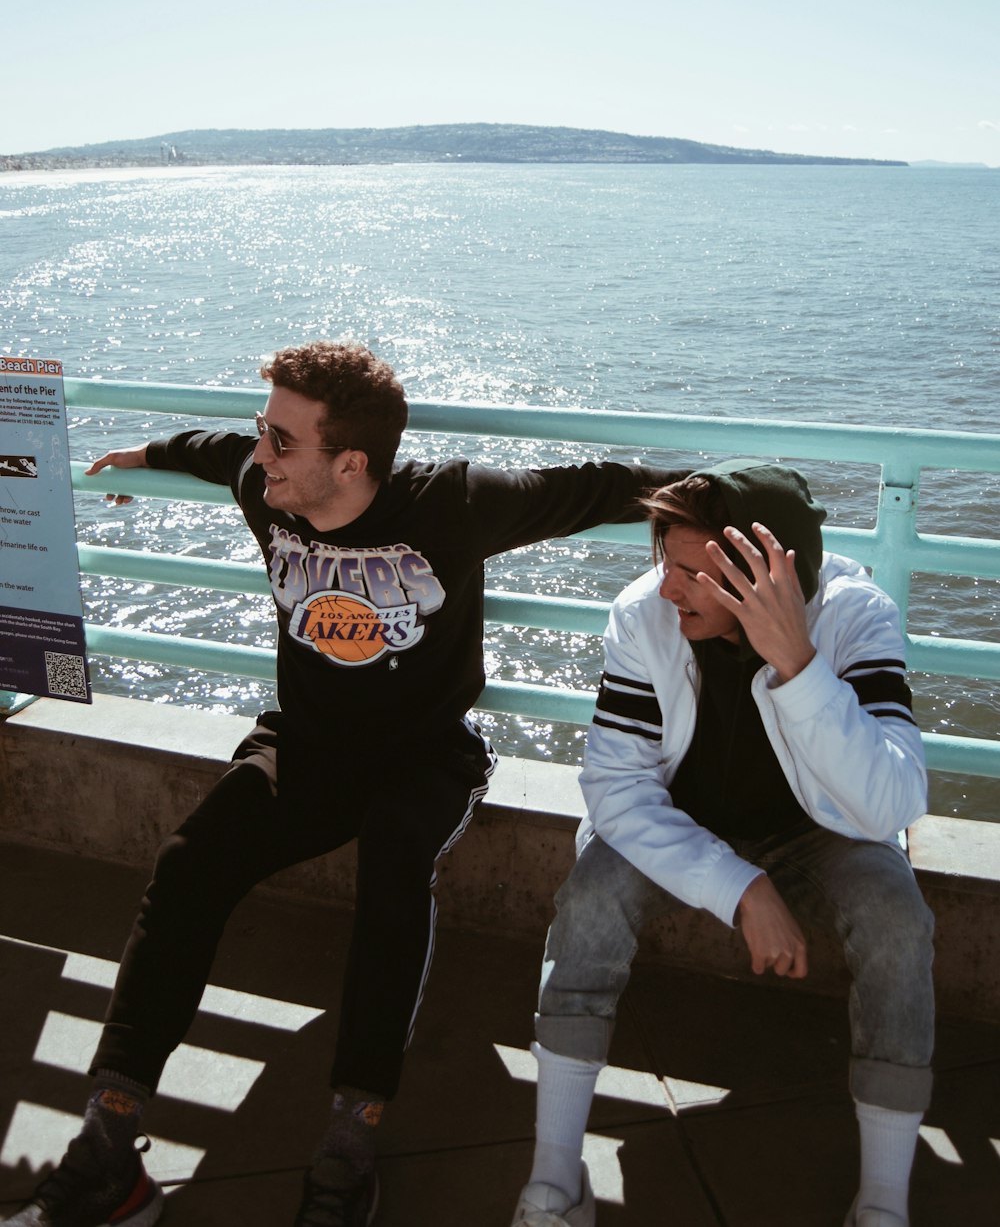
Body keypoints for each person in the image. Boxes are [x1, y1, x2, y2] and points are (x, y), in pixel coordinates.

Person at [7, 340, 685, 1227]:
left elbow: (593, 486)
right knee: (189, 862)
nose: (262, 455)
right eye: (264, 433)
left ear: (351, 462)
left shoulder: (451, 504)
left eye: (282, 441)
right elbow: (217, 453)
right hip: (308, 746)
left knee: (396, 866)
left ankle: (351, 1135)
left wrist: (726, 498)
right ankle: (110, 1135)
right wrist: (147, 455)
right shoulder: (266, 483)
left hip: (423, 753)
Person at [511, 460, 934, 1227]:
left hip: (824, 833)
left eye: (691, 575)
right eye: (664, 564)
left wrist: (797, 663)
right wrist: (739, 886)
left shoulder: (855, 613)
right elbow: (617, 789)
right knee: (590, 899)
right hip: (684, 825)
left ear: (766, 579)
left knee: (898, 921)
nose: (668, 589)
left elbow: (893, 804)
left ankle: (883, 1203)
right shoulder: (644, 613)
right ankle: (552, 1182)